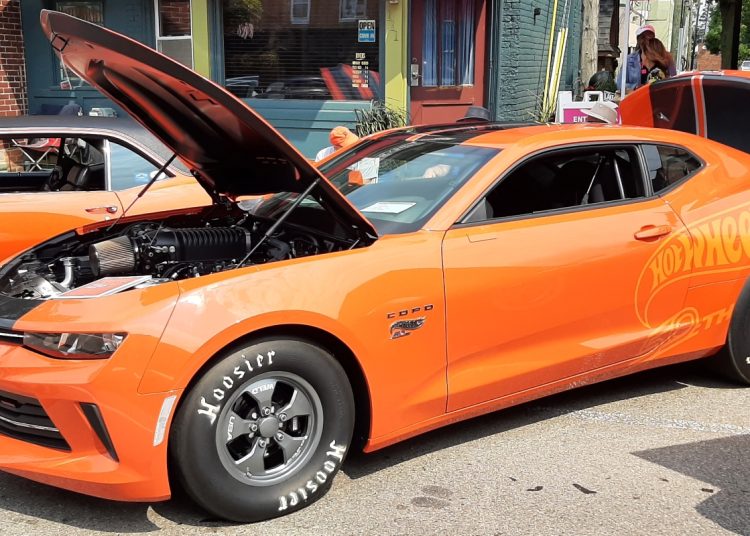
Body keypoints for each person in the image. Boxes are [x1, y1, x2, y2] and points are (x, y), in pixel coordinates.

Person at [619, 24, 676, 92]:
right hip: (636, 96)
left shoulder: (665, 57)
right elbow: (620, 83)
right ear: (638, 40)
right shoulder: (630, 59)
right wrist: (636, 87)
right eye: (643, 37)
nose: (646, 39)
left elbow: (673, 81)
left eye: (649, 36)